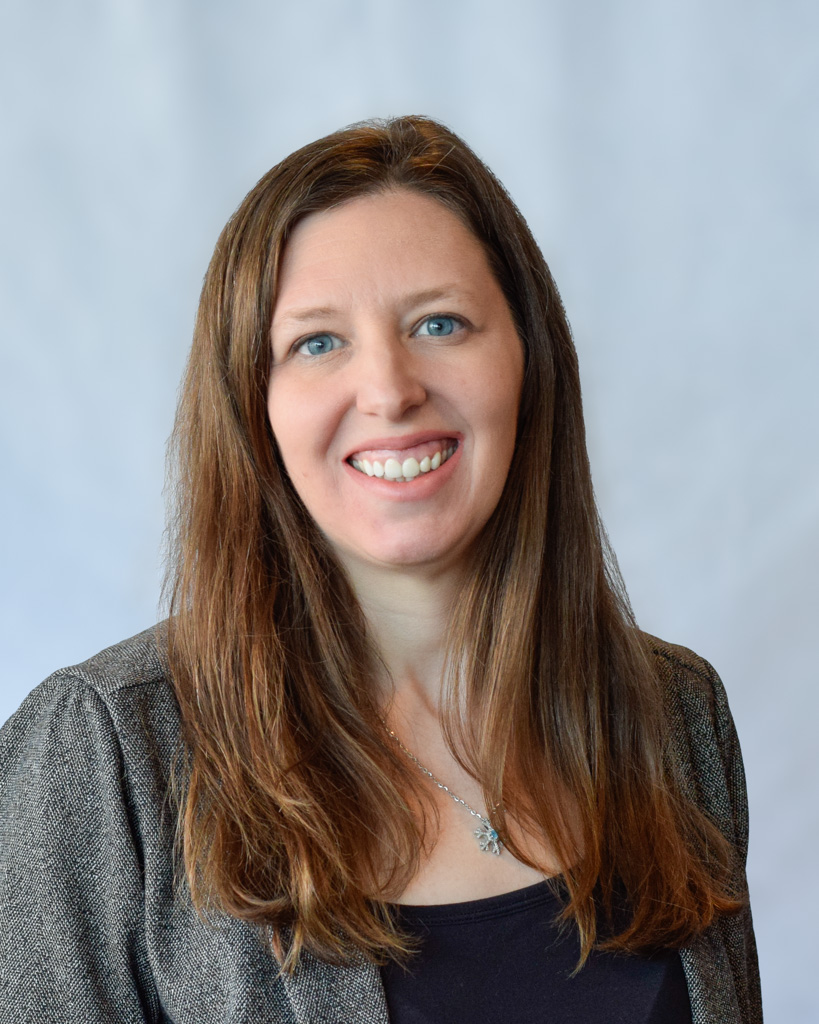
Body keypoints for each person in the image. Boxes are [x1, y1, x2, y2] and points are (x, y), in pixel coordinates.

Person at [0, 116, 762, 1023]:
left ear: (528, 360)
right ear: (253, 405)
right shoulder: (106, 751)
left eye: (439, 323)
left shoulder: (673, 716)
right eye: (317, 342)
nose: (391, 389)